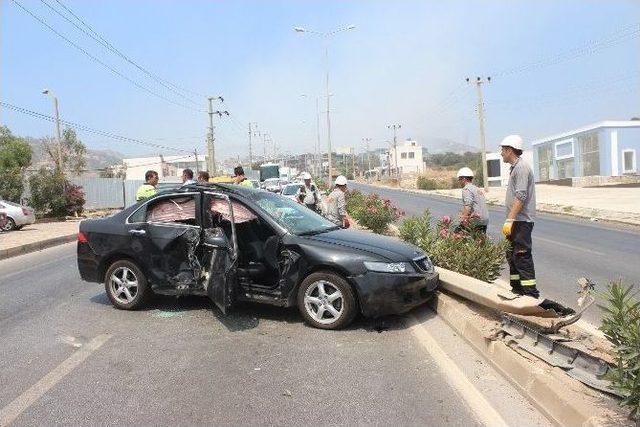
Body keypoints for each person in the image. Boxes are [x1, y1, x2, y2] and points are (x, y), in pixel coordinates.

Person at [500, 134, 539, 298]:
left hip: (521, 222)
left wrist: (510, 219)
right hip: (515, 221)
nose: (501, 153)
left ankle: (530, 294)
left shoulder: (522, 168)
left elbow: (521, 196)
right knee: (512, 255)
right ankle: (517, 289)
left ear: (510, 150)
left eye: (503, 150)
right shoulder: (515, 168)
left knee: (522, 256)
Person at [456, 167, 489, 234]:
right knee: (479, 242)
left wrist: (463, 220)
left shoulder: (466, 189)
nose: (459, 182)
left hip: (475, 221)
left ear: (464, 179)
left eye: (459, 179)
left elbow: (468, 206)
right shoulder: (476, 189)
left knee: (457, 235)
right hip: (484, 221)